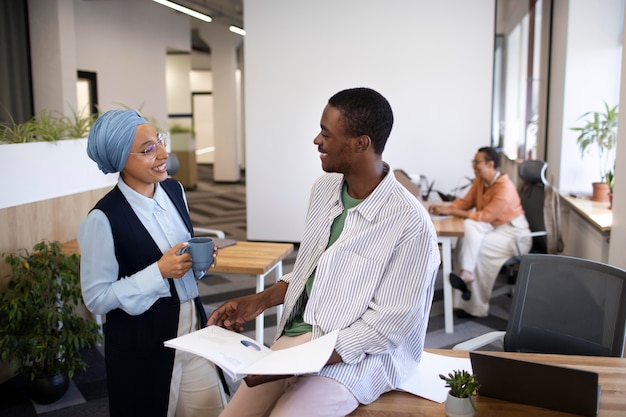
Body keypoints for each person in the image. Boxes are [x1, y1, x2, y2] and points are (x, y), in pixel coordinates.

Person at [208, 87, 440, 417]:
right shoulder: (325, 189)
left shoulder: (409, 224)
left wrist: (297, 362)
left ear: (362, 143)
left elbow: (385, 329)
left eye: (326, 133)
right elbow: (311, 272)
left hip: (359, 359)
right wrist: (258, 301)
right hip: (300, 340)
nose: (317, 140)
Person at [77, 109, 227, 417]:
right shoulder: (103, 219)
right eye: (148, 149)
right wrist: (158, 272)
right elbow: (96, 298)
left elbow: (181, 262)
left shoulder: (174, 190)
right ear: (121, 160)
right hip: (144, 346)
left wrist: (198, 264)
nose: (163, 153)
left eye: (159, 141)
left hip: (194, 332)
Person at [428, 146, 531, 318]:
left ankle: (476, 307)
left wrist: (453, 211)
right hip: (492, 227)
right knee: (466, 237)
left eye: (477, 162)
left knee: (479, 249)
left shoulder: (504, 187)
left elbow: (485, 216)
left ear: (490, 164)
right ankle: (465, 282)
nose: (473, 166)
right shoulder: (480, 182)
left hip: (514, 234)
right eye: (473, 162)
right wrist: (445, 208)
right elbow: (465, 203)